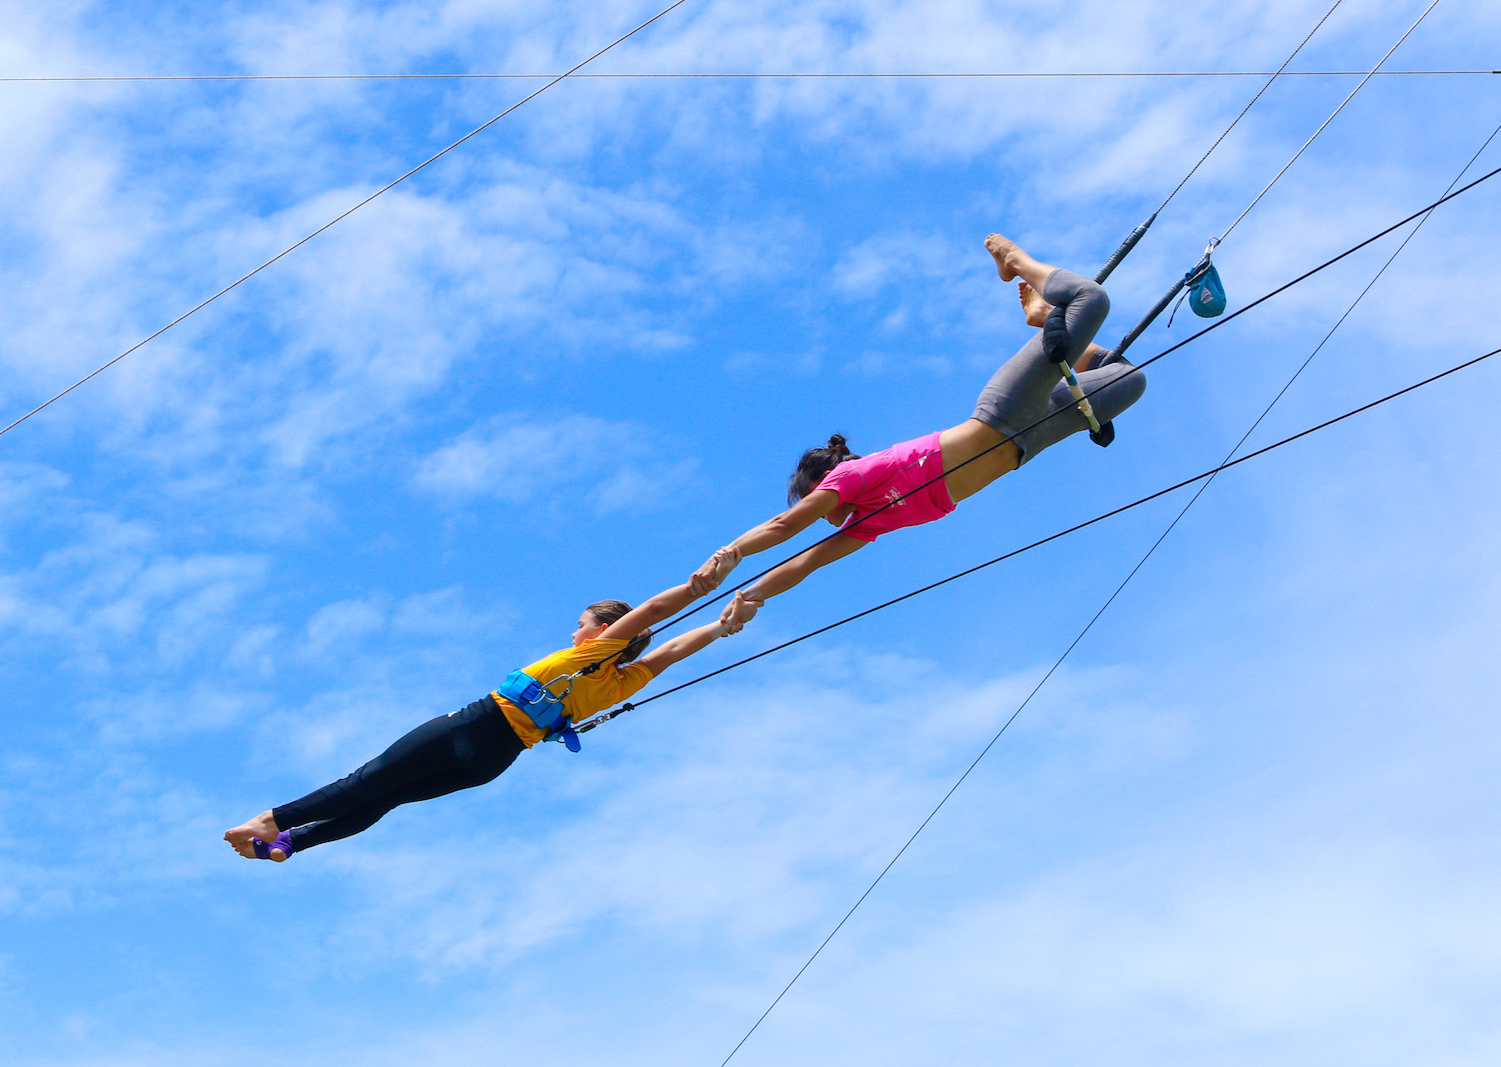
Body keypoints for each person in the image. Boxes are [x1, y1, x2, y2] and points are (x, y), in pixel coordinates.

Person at [693, 234, 1147, 629]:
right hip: (1033, 441)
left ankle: (1014, 261)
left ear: (822, 481)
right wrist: (751, 598)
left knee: (1092, 299)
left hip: (1005, 412)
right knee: (1129, 380)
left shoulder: (849, 479)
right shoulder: (867, 522)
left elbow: (783, 527)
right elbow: (807, 563)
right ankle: (1040, 322)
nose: (820, 513)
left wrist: (728, 556)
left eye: (809, 497)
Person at [224, 576, 754, 862]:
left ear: (602, 632)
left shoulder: (586, 657)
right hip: (495, 761)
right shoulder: (622, 680)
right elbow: (674, 648)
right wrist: (719, 628)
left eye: (580, 625)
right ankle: (292, 843)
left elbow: (658, 615)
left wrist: (700, 584)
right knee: (384, 799)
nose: (573, 633)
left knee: (367, 781)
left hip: (474, 725)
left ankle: (272, 821)